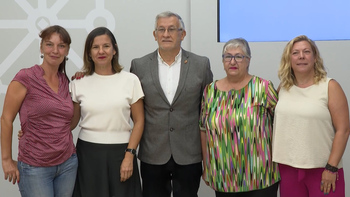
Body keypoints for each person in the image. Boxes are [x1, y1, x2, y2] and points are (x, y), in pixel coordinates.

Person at [130, 11, 213, 197]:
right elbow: (135, 111)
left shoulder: (201, 64)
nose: (166, 34)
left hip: (188, 152)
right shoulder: (139, 65)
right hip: (153, 152)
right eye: (161, 29)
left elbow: (206, 110)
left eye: (171, 29)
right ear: (155, 35)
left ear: (182, 34)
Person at [1, 25, 78, 197]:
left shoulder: (66, 82)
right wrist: (6, 160)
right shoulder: (26, 77)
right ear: (41, 47)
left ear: (67, 51)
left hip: (68, 164)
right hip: (34, 167)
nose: (55, 50)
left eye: (61, 46)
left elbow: (67, 123)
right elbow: (6, 119)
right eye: (50, 44)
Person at [199, 38, 280, 197]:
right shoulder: (210, 91)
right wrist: (207, 165)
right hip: (223, 176)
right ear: (223, 61)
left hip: (261, 175)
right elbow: (203, 130)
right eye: (228, 56)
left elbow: (281, 125)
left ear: (248, 60)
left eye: (239, 56)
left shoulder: (263, 87)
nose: (233, 61)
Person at [70, 27, 144, 197]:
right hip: (87, 155)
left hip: (121, 154)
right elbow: (70, 123)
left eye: (106, 46)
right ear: (89, 52)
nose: (101, 51)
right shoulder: (78, 83)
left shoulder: (130, 80)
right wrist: (37, 132)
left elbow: (139, 121)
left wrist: (129, 155)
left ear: (114, 49)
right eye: (95, 47)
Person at [272, 35, 350, 197]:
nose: (301, 56)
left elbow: (343, 130)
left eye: (306, 52)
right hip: (288, 169)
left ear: (315, 58)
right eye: (295, 53)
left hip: (323, 170)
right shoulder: (283, 87)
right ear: (289, 59)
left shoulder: (330, 86)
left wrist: (331, 167)